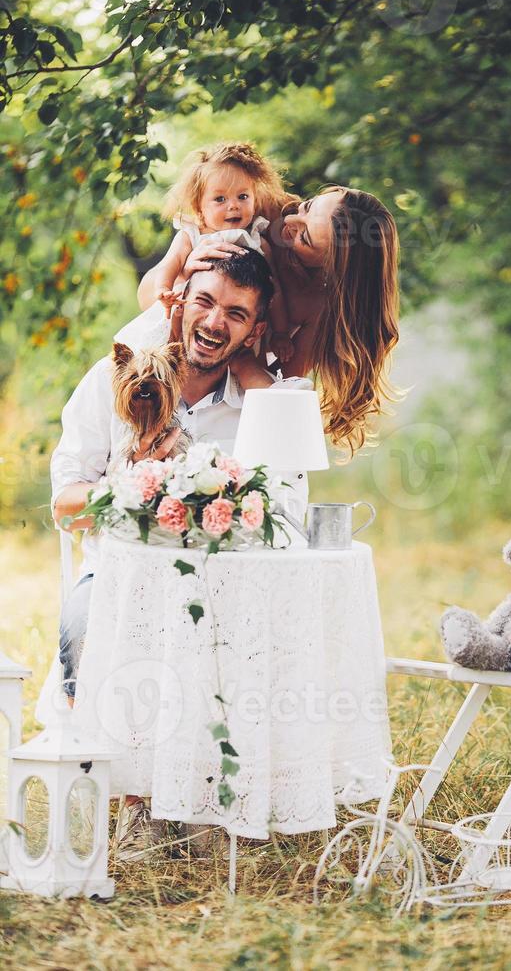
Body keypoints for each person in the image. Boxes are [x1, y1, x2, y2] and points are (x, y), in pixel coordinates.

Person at [49, 250, 311, 858]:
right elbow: (65, 504)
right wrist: (134, 480)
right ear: (179, 302)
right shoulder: (109, 379)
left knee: (260, 637)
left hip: (229, 582)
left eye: (236, 314)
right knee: (86, 624)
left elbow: (288, 507)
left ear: (254, 330)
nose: (216, 321)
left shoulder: (259, 402)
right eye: (205, 301)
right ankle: (137, 805)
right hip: (117, 570)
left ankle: (222, 801)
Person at [137, 183, 401, 456]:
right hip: (179, 355)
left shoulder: (320, 307)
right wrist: (185, 269)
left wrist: (243, 360)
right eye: (307, 206)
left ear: (332, 268)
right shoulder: (251, 215)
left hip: (232, 385)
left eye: (305, 238)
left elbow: (279, 393)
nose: (289, 221)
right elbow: (146, 296)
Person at [116, 141, 295, 361]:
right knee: (167, 349)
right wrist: (164, 290)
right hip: (189, 326)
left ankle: (265, 393)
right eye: (220, 199)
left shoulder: (258, 241)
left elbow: (274, 292)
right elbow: (169, 265)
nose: (233, 205)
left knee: (248, 366)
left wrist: (280, 332)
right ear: (200, 207)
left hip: (236, 334)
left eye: (243, 196)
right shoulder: (191, 236)